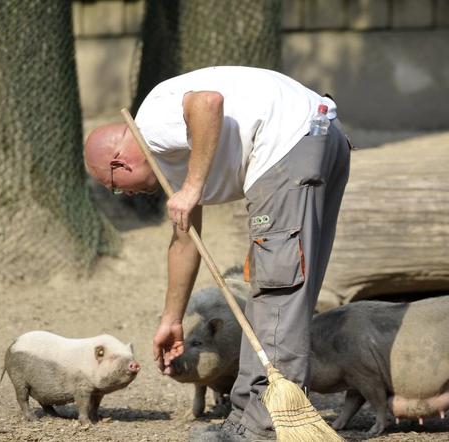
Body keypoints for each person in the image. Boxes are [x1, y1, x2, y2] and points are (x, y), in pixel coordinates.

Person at [83, 66, 351, 441]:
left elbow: (208, 103)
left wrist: (194, 187)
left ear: (119, 163)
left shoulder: (151, 123)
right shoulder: (171, 156)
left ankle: (259, 427)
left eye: (114, 187)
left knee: (277, 289)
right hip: (321, 137)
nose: (124, 194)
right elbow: (185, 240)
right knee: (290, 290)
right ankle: (264, 416)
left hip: (288, 145)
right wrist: (172, 319)